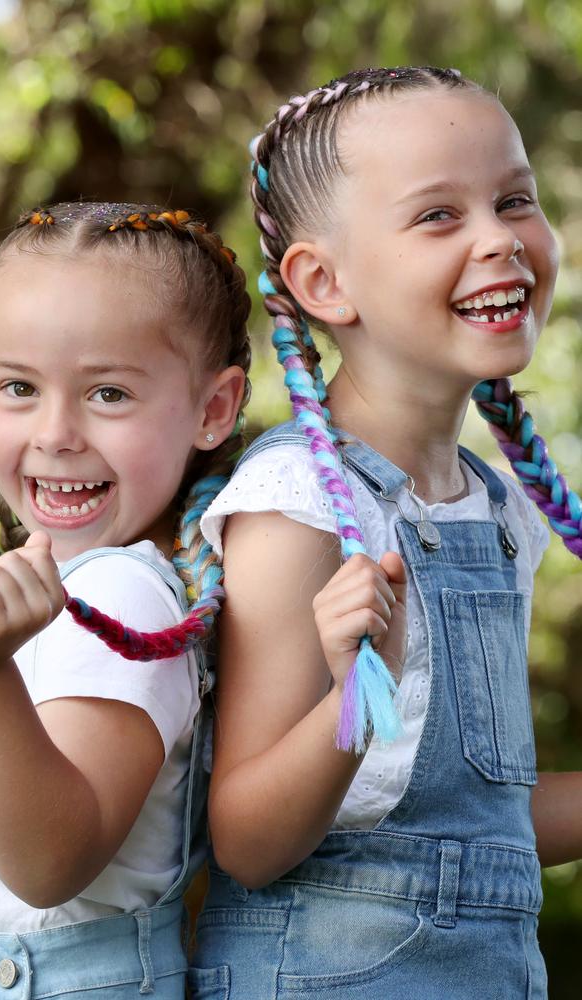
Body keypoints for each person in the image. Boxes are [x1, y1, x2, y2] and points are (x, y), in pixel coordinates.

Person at [188, 67, 582, 998]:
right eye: (439, 216)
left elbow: (479, 823)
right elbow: (245, 842)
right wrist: (353, 698)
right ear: (323, 281)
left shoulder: (496, 512)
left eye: (514, 199)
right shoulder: (299, 505)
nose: (500, 239)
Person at [0, 201, 251, 998]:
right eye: (18, 388)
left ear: (213, 409)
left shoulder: (124, 595)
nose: (55, 432)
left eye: (107, 394)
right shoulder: (74, 586)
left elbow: (48, 862)